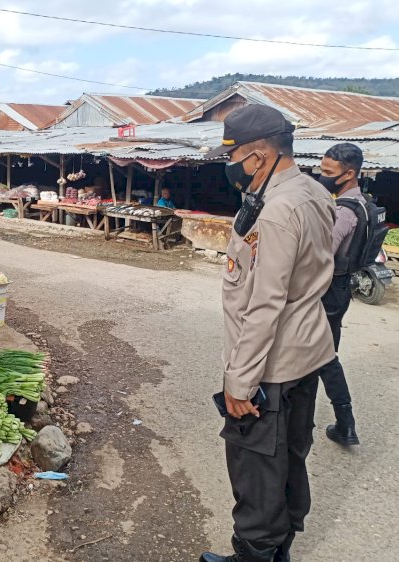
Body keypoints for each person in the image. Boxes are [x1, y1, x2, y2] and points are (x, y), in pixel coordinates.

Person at [199, 105, 336, 562]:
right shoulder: (315, 192)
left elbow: (265, 303)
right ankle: (281, 548)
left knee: (255, 468)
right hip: (307, 351)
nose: (231, 167)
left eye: (233, 157)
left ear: (258, 155)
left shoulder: (277, 211)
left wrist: (240, 382)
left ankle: (254, 553)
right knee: (290, 458)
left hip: (270, 365)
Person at [316, 143, 365, 446]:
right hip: (341, 289)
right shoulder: (361, 202)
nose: (322, 176)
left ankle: (346, 423)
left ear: (348, 174)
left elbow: (321, 256)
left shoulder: (344, 211)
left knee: (321, 356)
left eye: (327, 172)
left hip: (328, 292)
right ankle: (344, 423)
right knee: (323, 354)